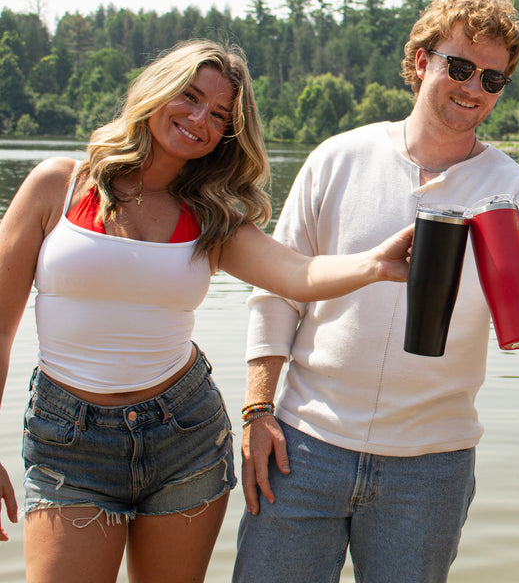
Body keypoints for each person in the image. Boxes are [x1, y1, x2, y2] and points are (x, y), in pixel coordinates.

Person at [0, 39, 415, 583]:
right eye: (190, 97)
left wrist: (376, 265)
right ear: (158, 91)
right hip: (70, 440)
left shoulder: (211, 218)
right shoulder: (60, 184)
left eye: (219, 115)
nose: (199, 119)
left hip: (183, 436)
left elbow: (298, 275)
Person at [234, 0, 519, 583]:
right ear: (421, 60)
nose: (473, 87)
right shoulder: (337, 158)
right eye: (459, 66)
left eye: (493, 77)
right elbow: (276, 293)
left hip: (431, 466)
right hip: (302, 445)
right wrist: (256, 411)